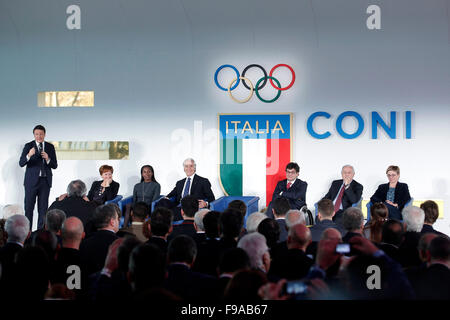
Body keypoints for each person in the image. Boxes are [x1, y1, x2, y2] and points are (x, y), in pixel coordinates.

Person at [19, 125, 58, 230]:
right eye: (37, 134)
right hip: (31, 183)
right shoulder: (28, 146)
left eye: (41, 134)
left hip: (45, 182)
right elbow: (21, 163)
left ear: (44, 134)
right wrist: (29, 155)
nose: (39, 136)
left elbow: (55, 165)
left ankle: (40, 233)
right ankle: (27, 233)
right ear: (34, 135)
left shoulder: (50, 147)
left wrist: (48, 158)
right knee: (29, 208)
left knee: (43, 209)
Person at [79, 204, 120, 276]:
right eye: (117, 218)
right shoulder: (121, 245)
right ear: (112, 222)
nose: (118, 221)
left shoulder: (83, 244)